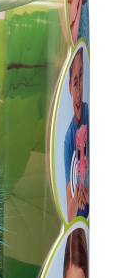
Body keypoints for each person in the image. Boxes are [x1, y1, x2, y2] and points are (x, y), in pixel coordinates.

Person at [62, 49, 89, 221]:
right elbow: (69, 213)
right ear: (70, 88)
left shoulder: (87, 113)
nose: (78, 92)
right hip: (78, 222)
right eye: (75, 82)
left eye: (81, 78)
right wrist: (77, 198)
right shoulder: (68, 141)